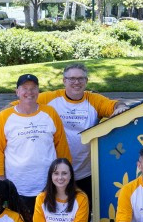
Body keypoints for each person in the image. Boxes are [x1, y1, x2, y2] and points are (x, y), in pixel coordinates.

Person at [38, 63, 124, 194]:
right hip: (57, 172)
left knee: (85, 209)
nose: (76, 82)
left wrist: (120, 107)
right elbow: (19, 105)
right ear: (64, 81)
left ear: (86, 81)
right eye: (72, 78)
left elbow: (115, 104)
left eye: (80, 78)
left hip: (85, 171)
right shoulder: (49, 98)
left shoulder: (94, 100)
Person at [0, 73, 71, 207]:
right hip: (17, 184)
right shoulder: (4, 116)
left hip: (49, 183)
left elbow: (61, 145)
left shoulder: (50, 113)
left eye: (33, 88)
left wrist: (66, 174)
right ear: (17, 92)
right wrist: (1, 180)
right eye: (24, 88)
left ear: (38, 91)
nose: (29, 92)